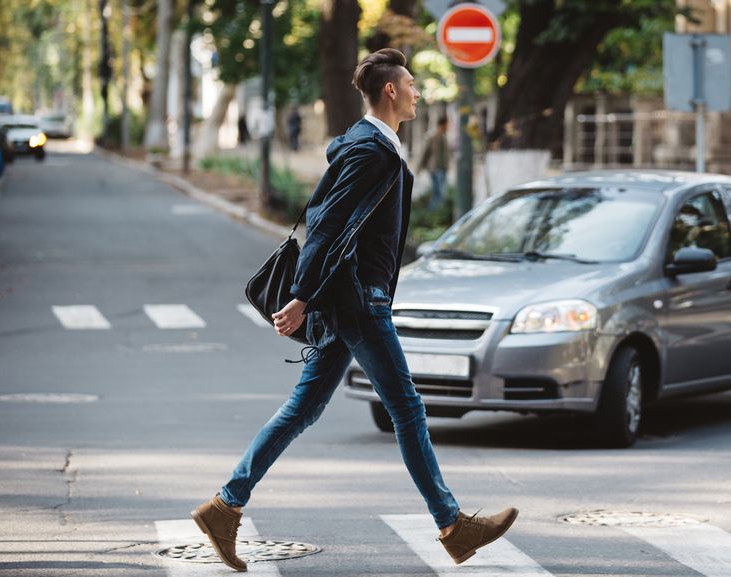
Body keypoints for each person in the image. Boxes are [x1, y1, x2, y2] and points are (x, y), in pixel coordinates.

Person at [190, 48, 518, 573]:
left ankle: (225, 506)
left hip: (350, 300)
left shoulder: (374, 146)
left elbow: (338, 222)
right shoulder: (370, 150)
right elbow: (327, 225)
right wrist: (301, 296)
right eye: (411, 83)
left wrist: (311, 295)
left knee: (304, 408)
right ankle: (453, 525)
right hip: (358, 301)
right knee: (407, 409)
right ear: (391, 90)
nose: (417, 90)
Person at [416, 116, 449, 210]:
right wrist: (419, 167)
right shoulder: (431, 136)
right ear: (442, 124)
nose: (448, 127)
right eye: (447, 124)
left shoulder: (444, 137)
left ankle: (436, 213)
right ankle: (431, 212)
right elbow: (425, 153)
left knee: (441, 194)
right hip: (435, 168)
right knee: (439, 193)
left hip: (443, 168)